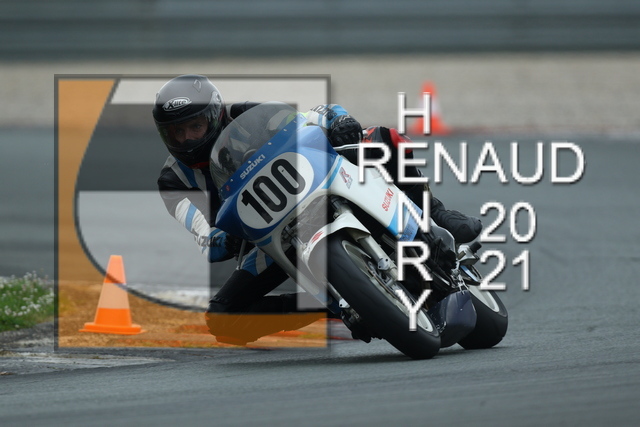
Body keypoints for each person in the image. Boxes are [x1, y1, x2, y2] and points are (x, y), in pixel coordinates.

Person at [153, 74, 481, 345]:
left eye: (195, 126)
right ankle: (343, 306)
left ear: (214, 116)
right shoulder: (173, 180)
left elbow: (312, 117)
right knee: (224, 319)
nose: (187, 139)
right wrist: (220, 239)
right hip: (271, 238)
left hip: (320, 185)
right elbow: (201, 232)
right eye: (177, 133)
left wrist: (340, 120)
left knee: (378, 137)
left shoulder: (248, 115)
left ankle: (435, 213)